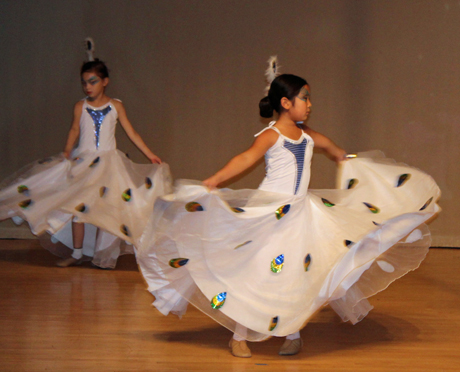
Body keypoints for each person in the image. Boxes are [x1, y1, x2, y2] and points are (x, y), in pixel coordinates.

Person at [135, 58, 440, 357]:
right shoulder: (271, 135)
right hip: (270, 213)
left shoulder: (307, 136)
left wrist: (348, 161)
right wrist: (213, 180)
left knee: (294, 274)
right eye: (304, 98)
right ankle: (240, 335)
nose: (309, 104)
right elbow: (244, 159)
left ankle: (291, 333)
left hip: (301, 215)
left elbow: (333, 149)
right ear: (285, 102)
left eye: (310, 99)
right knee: (256, 272)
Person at [0, 59, 172, 269]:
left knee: (109, 208)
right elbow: (75, 129)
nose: (88, 87)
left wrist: (150, 154)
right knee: (78, 209)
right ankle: (77, 253)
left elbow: (132, 132)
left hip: (109, 163)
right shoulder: (80, 106)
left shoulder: (116, 106)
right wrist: (67, 151)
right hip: (84, 162)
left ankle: (102, 253)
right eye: (84, 83)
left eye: (92, 81)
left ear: (105, 82)